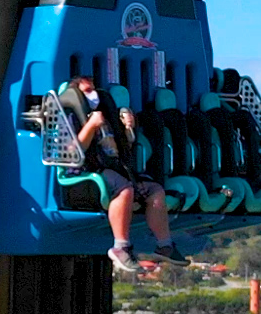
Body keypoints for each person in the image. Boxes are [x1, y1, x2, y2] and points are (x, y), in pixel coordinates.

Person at [64, 73, 188, 272]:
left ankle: (164, 245)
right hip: (88, 170)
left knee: (154, 190)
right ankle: (120, 247)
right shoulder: (71, 115)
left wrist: (128, 129)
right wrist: (91, 125)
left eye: (94, 89)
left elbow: (120, 147)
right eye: (87, 91)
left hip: (115, 167)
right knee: (124, 189)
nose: (93, 94)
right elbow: (72, 151)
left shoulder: (107, 114)